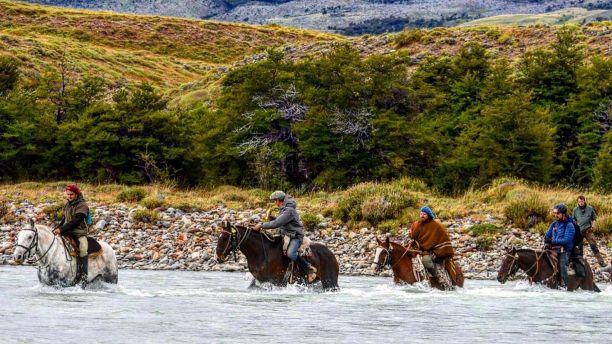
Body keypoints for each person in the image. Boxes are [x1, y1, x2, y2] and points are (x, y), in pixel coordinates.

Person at [254, 191, 317, 283]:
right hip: (287, 235)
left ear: (279, 200)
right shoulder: (283, 209)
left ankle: (309, 268)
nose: (274, 203)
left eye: (275, 201)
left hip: (295, 236)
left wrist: (261, 225)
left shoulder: (289, 210)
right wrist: (273, 219)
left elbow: (278, 223)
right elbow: (281, 222)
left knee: (291, 253)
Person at [408, 206, 456, 288]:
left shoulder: (436, 225)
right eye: (421, 214)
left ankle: (438, 276)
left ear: (429, 215)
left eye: (424, 214)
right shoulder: (417, 224)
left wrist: (434, 251)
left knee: (426, 260)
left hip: (433, 251)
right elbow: (413, 236)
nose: (422, 216)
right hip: (418, 249)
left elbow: (442, 240)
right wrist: (411, 236)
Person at [53, 183, 89, 285]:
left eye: (71, 194)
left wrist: (61, 230)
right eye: (68, 194)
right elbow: (65, 219)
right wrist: (57, 228)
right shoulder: (67, 204)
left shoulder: (83, 205)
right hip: (67, 231)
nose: (69, 196)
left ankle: (84, 275)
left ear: (77, 194)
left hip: (79, 232)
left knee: (83, 249)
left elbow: (76, 221)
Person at [544, 203, 575, 289]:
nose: (555, 215)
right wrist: (546, 242)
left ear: (563, 214)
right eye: (555, 213)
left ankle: (567, 286)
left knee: (562, 267)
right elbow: (547, 235)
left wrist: (552, 241)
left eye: (557, 213)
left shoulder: (569, 225)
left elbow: (566, 240)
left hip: (564, 250)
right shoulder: (554, 224)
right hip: (553, 249)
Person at [572, 195, 607, 268]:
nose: (580, 203)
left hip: (588, 231)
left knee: (593, 246)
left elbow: (594, 218)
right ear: (577, 202)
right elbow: (573, 219)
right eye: (579, 201)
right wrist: (575, 227)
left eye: (582, 201)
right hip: (579, 231)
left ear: (584, 201)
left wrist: (593, 226)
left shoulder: (590, 208)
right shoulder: (575, 210)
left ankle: (601, 262)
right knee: (579, 247)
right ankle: (580, 263)